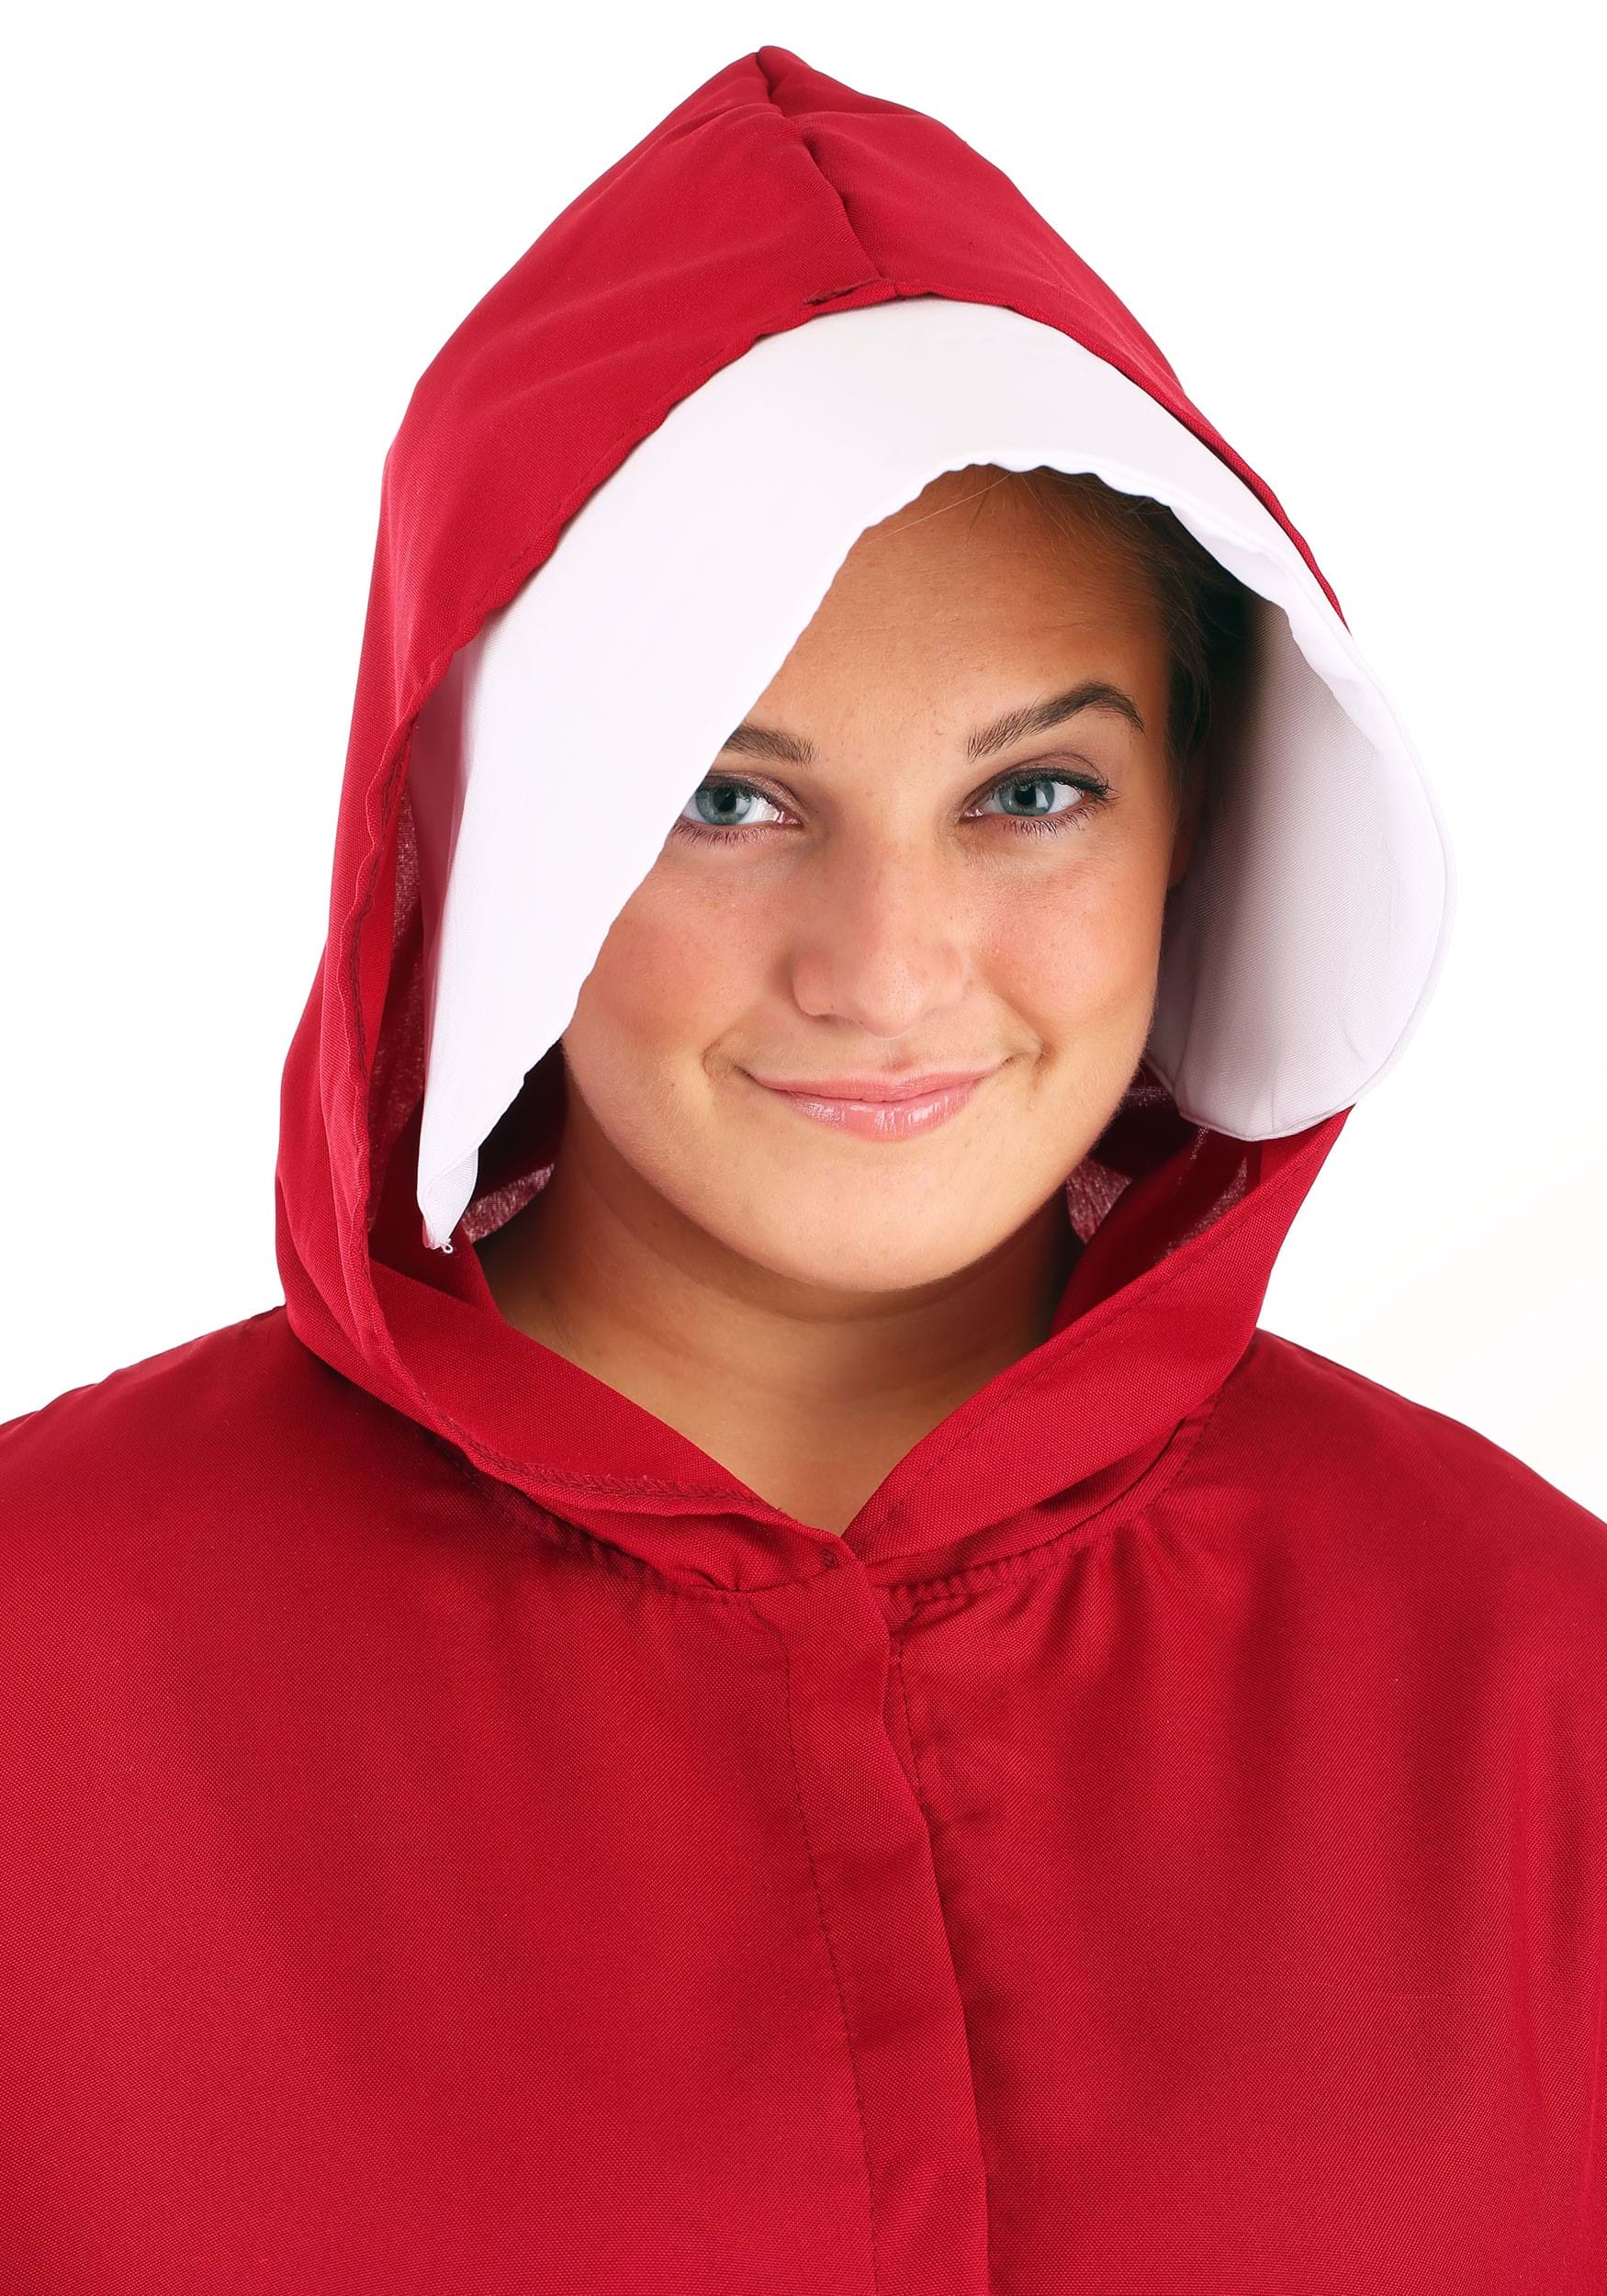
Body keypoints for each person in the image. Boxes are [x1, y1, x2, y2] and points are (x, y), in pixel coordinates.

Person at [1, 44, 1601, 2295]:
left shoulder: (1532, 1682)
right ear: (488, 837)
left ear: (1201, 820)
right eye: (725, 798)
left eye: (1029, 792)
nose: (886, 967)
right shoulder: (42, 1670)